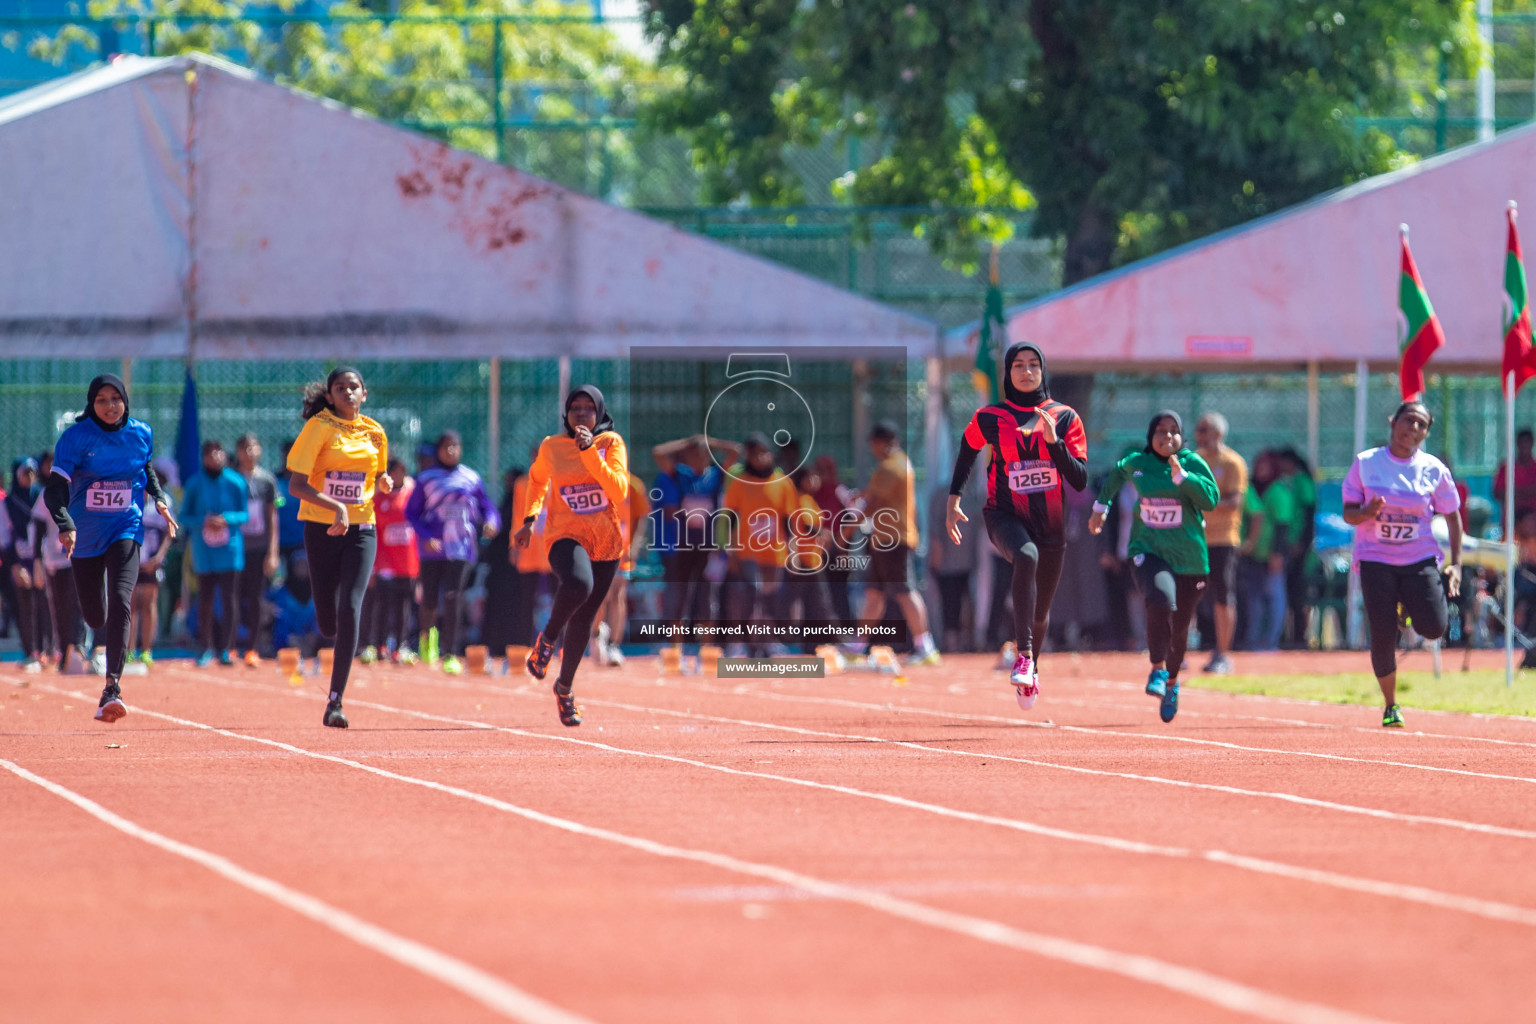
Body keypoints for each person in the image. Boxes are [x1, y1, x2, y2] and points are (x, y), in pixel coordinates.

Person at [946, 342, 1088, 708]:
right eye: (1018, 365)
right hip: (1002, 514)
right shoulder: (990, 416)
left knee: (1041, 612)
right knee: (1025, 556)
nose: (1026, 371)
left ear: (1043, 371)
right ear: (1007, 372)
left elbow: (1080, 480)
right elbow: (966, 449)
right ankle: (1023, 655)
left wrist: (1054, 444)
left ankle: (1031, 669)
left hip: (1051, 526)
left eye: (1033, 365)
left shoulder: (1065, 417)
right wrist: (954, 499)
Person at [40, 374, 179, 720]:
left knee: (121, 599)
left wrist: (159, 499)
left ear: (125, 402)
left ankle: (111, 689)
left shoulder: (141, 433)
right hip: (85, 535)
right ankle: (98, 641)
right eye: (101, 400)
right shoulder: (76, 438)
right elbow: (54, 490)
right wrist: (65, 523)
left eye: (115, 398)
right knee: (96, 615)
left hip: (125, 528)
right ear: (92, 404)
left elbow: (146, 469)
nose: (110, 406)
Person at [1089, 411, 1218, 723]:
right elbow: (1116, 475)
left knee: (1180, 627)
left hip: (1189, 559)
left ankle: (1172, 683)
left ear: (1181, 437)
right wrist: (1099, 508)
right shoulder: (1139, 463)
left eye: (1174, 432)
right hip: (1149, 550)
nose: (1168, 437)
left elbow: (1211, 499)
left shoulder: (1191, 462)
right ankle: (1157, 670)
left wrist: (1183, 479)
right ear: (1151, 436)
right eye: (1161, 431)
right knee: (1161, 598)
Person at [1341, 400, 1461, 728]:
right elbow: (1349, 512)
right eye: (1409, 421)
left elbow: (1452, 516)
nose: (1414, 429)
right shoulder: (1366, 463)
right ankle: (1391, 704)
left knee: (1434, 627)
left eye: (1422, 425)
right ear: (1393, 421)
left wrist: (1458, 564)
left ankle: (1407, 607)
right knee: (1382, 635)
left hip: (1418, 558)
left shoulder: (1434, 469)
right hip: (1375, 559)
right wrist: (1366, 513)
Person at [515, 385, 629, 726]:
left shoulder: (611, 443)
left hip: (606, 542)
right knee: (578, 584)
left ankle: (564, 689)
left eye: (588, 408)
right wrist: (529, 518)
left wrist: (590, 451)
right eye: (575, 408)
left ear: (600, 413)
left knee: (585, 619)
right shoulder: (552, 447)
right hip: (565, 536)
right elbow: (536, 481)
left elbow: (618, 492)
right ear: (565, 413)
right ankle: (547, 639)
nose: (581, 414)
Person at [285, 367, 391, 729]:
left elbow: (376, 475)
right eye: (340, 388)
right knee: (328, 621)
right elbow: (297, 485)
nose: (348, 392)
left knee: (350, 607)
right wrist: (336, 508)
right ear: (329, 396)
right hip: (321, 527)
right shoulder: (319, 427)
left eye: (354, 387)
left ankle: (335, 701)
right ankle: (326, 627)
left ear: (365, 393)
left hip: (362, 529)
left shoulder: (375, 432)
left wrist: (385, 481)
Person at [406, 430, 498, 674]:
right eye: (446, 446)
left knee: (453, 596)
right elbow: (411, 513)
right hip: (431, 549)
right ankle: (428, 638)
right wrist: (426, 536)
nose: (451, 451)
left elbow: (487, 507)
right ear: (438, 450)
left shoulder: (471, 478)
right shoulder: (426, 479)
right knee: (429, 599)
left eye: (455, 446)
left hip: (461, 547)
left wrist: (490, 522)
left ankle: (450, 652)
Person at [848, 422, 940, 665]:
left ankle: (925, 647)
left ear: (882, 443)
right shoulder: (900, 463)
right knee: (874, 593)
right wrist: (863, 495)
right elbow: (877, 494)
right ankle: (857, 646)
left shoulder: (890, 466)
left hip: (893, 539)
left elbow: (874, 504)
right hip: (887, 539)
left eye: (874, 445)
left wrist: (846, 529)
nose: (873, 450)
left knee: (905, 591)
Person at [720, 433, 801, 657]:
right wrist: (732, 549)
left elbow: (789, 520)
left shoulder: (782, 483)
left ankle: (768, 642)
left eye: (763, 453)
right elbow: (732, 518)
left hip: (774, 553)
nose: (760, 458)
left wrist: (793, 550)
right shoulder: (740, 483)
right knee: (745, 597)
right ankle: (737, 643)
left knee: (770, 598)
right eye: (754, 454)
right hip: (747, 552)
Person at [180, 440, 251, 667]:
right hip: (204, 551)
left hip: (229, 550)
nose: (216, 457)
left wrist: (226, 520)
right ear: (203, 458)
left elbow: (244, 514)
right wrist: (204, 521)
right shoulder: (194, 484)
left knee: (230, 599)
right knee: (206, 599)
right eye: (210, 453)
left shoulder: (236, 482)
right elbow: (184, 517)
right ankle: (205, 647)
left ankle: (227, 648)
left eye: (219, 452)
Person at [1194, 413, 1247, 673]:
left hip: (1223, 540)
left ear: (1218, 433)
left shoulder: (1232, 463)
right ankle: (1180, 649)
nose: (1199, 435)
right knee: (1186, 593)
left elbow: (1234, 503)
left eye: (1204, 430)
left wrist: (1204, 503)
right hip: (1194, 537)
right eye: (1198, 430)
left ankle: (1223, 653)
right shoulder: (1192, 460)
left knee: (1222, 595)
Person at [234, 433, 282, 665]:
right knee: (232, 596)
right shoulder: (231, 479)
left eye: (253, 447)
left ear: (260, 450)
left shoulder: (267, 480)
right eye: (244, 448)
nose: (249, 452)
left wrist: (273, 552)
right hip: (234, 547)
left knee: (255, 598)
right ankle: (230, 647)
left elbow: (273, 517)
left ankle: (252, 648)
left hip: (259, 548)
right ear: (238, 452)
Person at [365, 457, 419, 664]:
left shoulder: (412, 496)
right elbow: (373, 532)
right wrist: (372, 566)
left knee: (403, 606)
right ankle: (378, 645)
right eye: (394, 471)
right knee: (382, 604)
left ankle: (400, 646)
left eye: (402, 471)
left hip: (407, 562)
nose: (399, 475)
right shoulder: (378, 500)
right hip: (385, 562)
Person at [5, 458, 46, 673]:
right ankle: (31, 652)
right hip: (21, 561)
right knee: (25, 606)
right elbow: (5, 537)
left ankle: (47, 650)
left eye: (32, 472)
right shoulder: (9, 503)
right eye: (25, 472)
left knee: (46, 605)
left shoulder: (43, 495)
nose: (29, 477)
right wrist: (14, 565)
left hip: (43, 558)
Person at [129, 497, 171, 667]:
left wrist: (159, 557)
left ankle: (147, 651)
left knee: (148, 603)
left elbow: (169, 531)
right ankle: (129, 651)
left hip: (152, 562)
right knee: (129, 605)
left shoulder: (162, 500)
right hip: (131, 558)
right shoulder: (128, 496)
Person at [1494, 428, 1536, 527]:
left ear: (1532, 443)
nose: (1524, 445)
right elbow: (1498, 493)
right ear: (1517, 444)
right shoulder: (1506, 468)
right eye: (1522, 442)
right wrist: (1528, 491)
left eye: (1527, 442)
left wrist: (1514, 491)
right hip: (1511, 521)